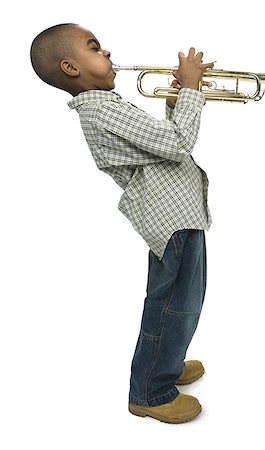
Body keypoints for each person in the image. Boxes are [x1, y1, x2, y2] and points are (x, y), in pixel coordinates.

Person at [30, 23, 214, 424]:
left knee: (184, 300)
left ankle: (167, 358)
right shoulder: (100, 108)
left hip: (178, 211)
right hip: (169, 217)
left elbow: (162, 139)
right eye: (94, 47)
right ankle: (150, 390)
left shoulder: (105, 103)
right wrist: (190, 91)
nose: (108, 52)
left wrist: (176, 97)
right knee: (172, 306)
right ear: (70, 67)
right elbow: (177, 144)